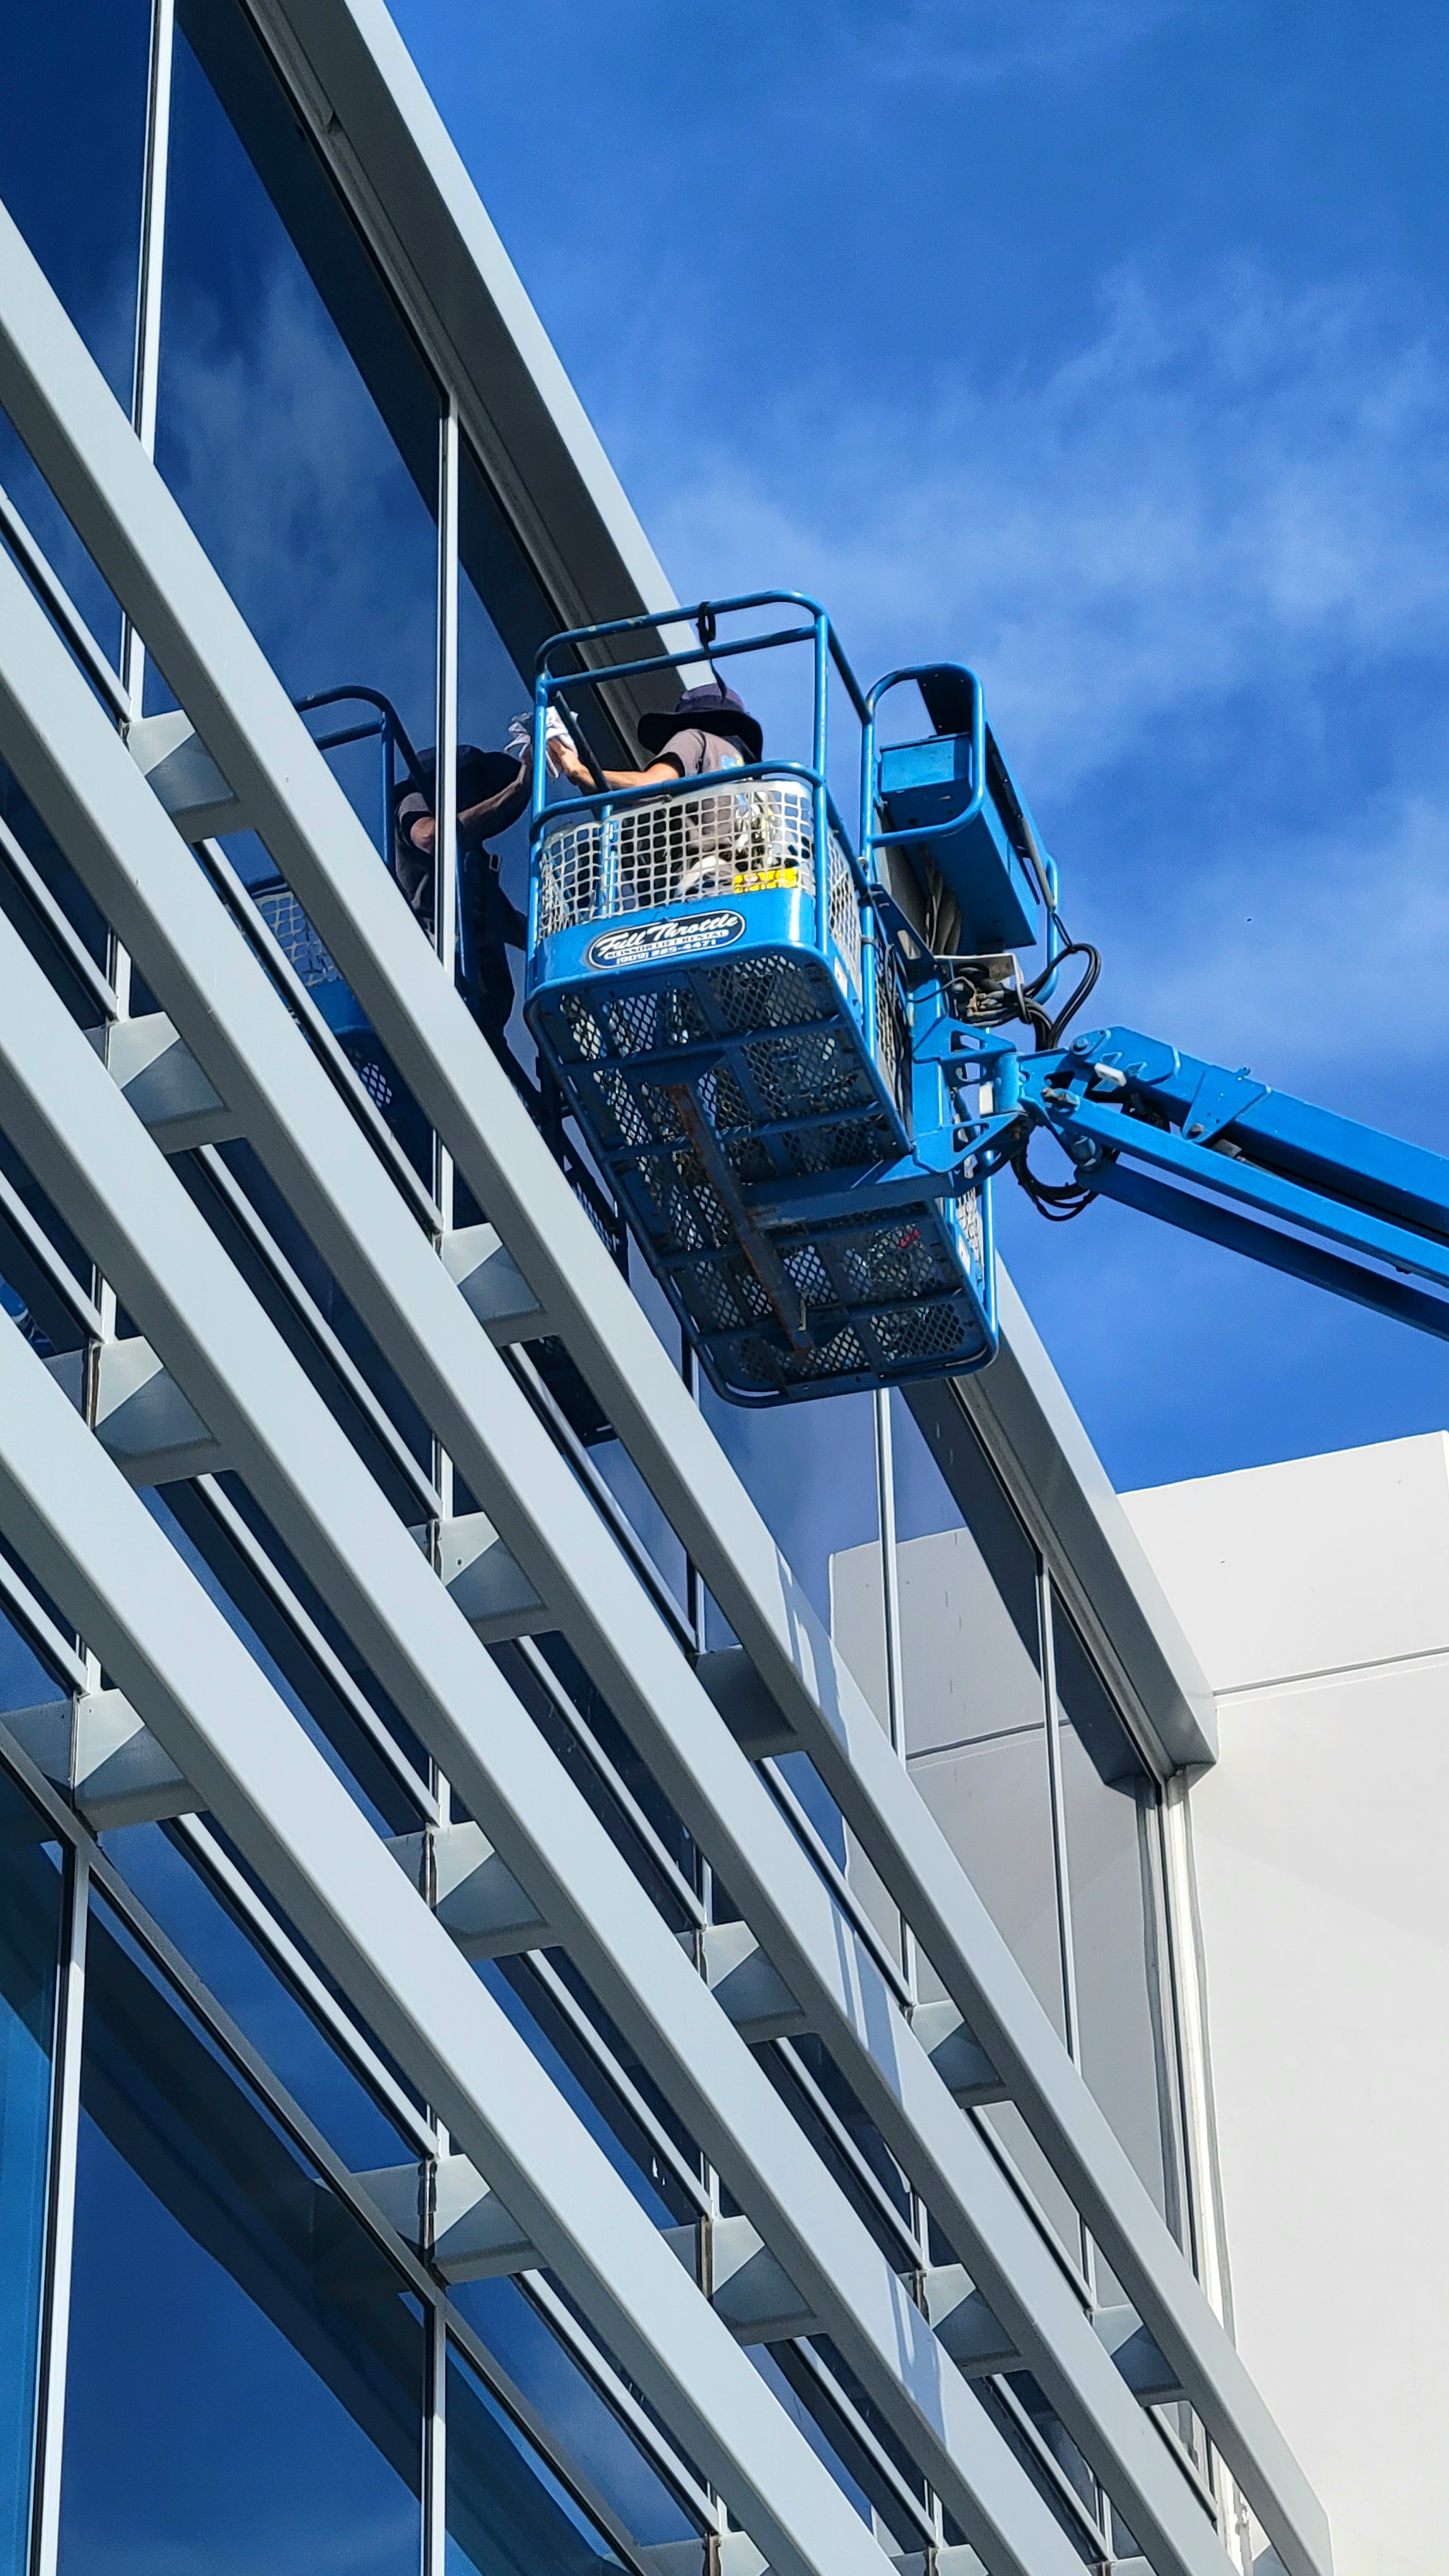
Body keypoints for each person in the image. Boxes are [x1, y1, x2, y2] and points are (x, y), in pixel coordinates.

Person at [551, 680, 766, 905]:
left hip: (702, 889)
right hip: (749, 898)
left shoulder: (695, 738)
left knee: (597, 846)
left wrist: (581, 772)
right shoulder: (758, 789)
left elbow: (650, 786)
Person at [393, 741, 531, 1060]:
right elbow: (431, 838)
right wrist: (516, 790)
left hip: (484, 1017)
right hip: (443, 984)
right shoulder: (414, 802)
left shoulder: (473, 864)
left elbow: (513, 924)